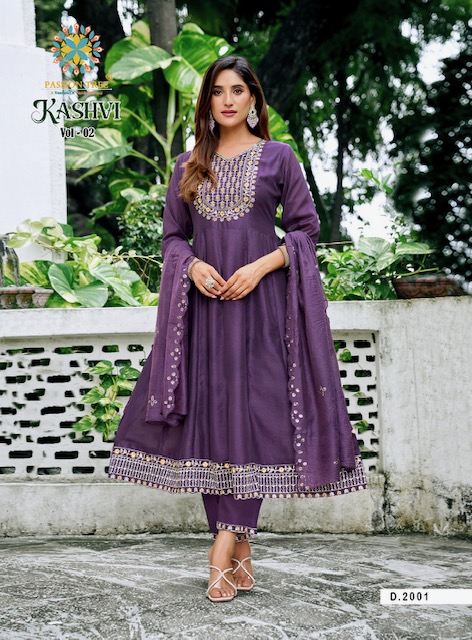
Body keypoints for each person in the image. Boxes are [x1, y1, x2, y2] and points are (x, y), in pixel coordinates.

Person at [108, 55, 367, 603]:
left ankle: (221, 547)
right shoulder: (189, 165)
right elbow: (173, 238)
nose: (227, 100)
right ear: (207, 102)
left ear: (253, 99)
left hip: (261, 309)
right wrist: (192, 266)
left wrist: (260, 266)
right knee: (212, 424)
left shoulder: (278, 158)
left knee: (255, 419)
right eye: (217, 91)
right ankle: (240, 550)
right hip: (203, 313)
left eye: (237, 91)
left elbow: (305, 230)